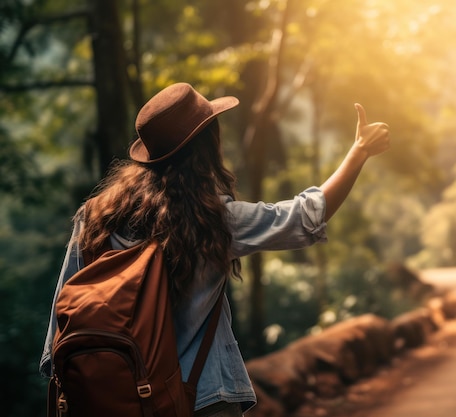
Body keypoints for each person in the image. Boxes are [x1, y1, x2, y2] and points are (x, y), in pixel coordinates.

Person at [40, 82, 390, 416]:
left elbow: (61, 323)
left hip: (114, 405)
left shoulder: (95, 217)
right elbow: (304, 216)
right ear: (207, 144)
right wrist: (358, 151)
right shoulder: (210, 219)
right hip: (203, 397)